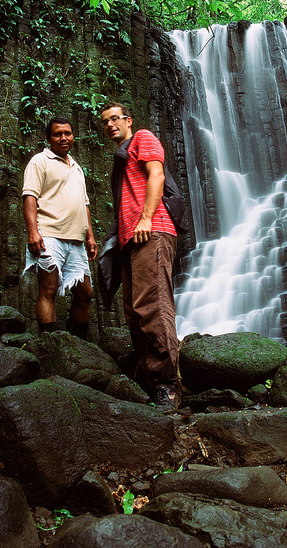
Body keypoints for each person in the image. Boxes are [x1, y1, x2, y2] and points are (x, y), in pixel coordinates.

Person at [100, 102, 181, 412]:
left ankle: (168, 386)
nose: (109, 125)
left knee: (153, 304)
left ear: (128, 120)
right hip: (130, 240)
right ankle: (150, 379)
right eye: (104, 121)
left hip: (152, 230)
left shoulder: (143, 138)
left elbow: (156, 176)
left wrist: (146, 218)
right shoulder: (121, 159)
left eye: (114, 119)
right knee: (134, 311)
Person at [22, 116, 98, 338]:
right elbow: (29, 197)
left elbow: (84, 204)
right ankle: (52, 347)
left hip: (76, 241)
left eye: (68, 133)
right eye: (57, 134)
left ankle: (77, 345)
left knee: (85, 294)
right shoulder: (40, 161)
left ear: (73, 136)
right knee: (49, 289)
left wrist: (90, 237)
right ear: (48, 138)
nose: (63, 138)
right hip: (49, 235)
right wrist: (33, 232)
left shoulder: (77, 168)